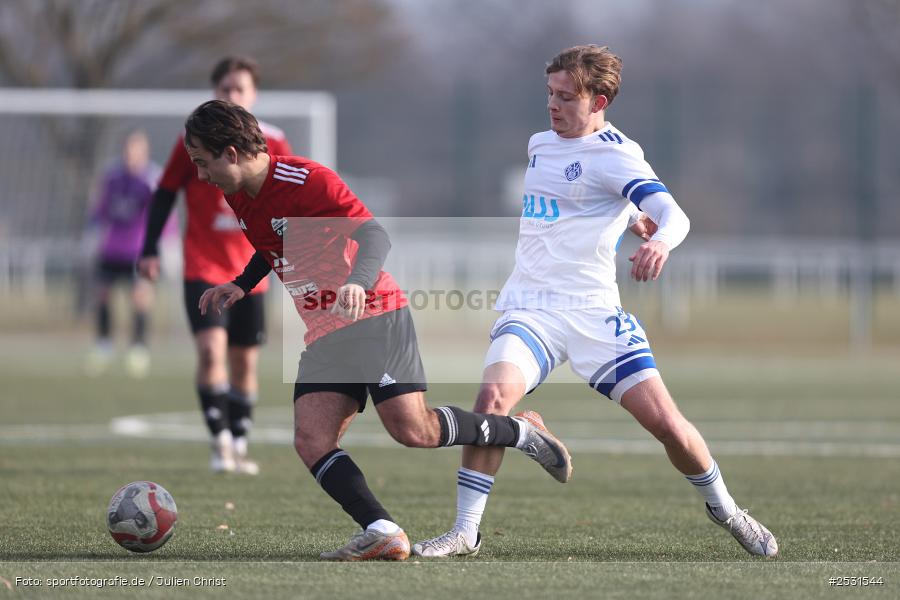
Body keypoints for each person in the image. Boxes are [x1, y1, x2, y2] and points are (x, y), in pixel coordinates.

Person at [412, 45, 778, 559]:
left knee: (668, 426)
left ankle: (726, 509)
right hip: (532, 307)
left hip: (594, 314)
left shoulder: (618, 154)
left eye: (566, 97)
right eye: (550, 93)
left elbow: (676, 216)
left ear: (599, 99)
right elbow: (581, 201)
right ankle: (465, 531)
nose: (552, 105)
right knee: (491, 402)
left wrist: (657, 240)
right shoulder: (541, 144)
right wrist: (628, 217)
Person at [184, 99, 573, 561]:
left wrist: (356, 283)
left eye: (203, 163)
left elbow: (374, 236)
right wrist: (240, 284)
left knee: (413, 431)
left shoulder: (308, 180)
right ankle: (382, 529)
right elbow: (274, 244)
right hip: (324, 329)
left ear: (231, 153)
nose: (201, 175)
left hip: (372, 314)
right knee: (311, 438)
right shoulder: (237, 193)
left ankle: (520, 432)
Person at [138, 57, 292, 475]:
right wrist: (150, 246)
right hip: (202, 265)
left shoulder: (274, 142)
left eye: (240, 89)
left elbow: (288, 202)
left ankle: (240, 442)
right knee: (211, 353)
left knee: (245, 362)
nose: (232, 96)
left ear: (253, 94)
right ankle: (220, 441)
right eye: (225, 88)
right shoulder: (190, 143)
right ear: (214, 91)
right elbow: (165, 192)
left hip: (252, 271)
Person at [85, 129, 176, 379]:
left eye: (136, 149)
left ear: (144, 151)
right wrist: (92, 234)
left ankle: (138, 347)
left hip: (139, 251)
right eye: (127, 149)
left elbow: (165, 213)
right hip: (112, 247)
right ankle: (103, 344)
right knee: (102, 294)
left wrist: (166, 245)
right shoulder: (112, 177)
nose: (130, 154)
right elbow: (100, 209)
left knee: (140, 296)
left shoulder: (152, 179)